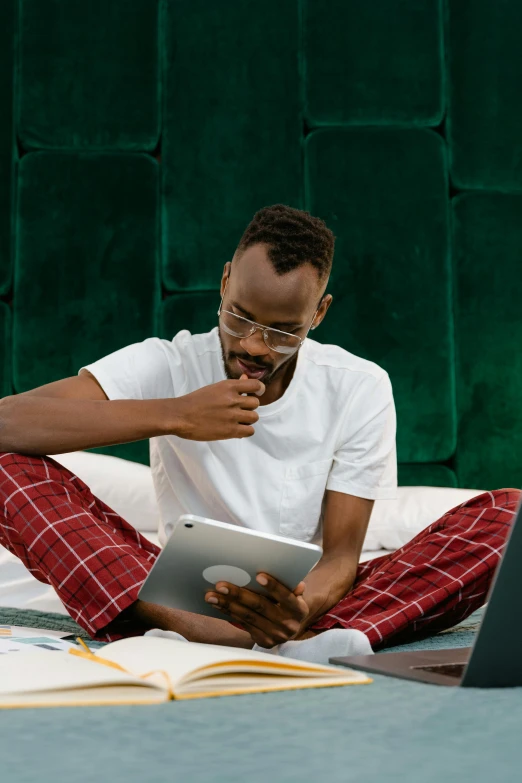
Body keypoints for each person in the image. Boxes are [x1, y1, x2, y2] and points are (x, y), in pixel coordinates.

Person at [0, 205, 519, 663]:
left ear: (318, 313)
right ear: (225, 281)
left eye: (282, 332)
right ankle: (233, 633)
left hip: (303, 599)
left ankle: (296, 633)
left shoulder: (359, 387)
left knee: (509, 514)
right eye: (239, 317)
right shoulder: (169, 362)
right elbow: (7, 421)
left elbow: (341, 557)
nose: (253, 345)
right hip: (168, 591)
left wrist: (300, 608)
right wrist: (176, 415)